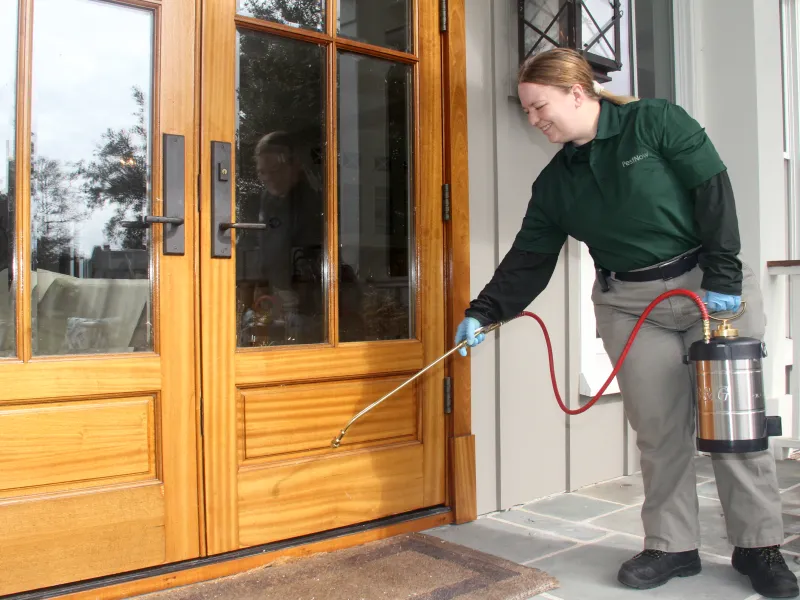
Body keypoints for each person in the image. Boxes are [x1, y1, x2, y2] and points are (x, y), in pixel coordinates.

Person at [455, 48, 798, 599]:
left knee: (736, 432)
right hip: (630, 306)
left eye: (538, 106)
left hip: (708, 290)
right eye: (525, 111)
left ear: (575, 91)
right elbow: (529, 256)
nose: (533, 119)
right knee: (660, 432)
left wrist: (726, 277)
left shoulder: (655, 123)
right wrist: (484, 310)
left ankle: (759, 546)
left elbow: (713, 192)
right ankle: (672, 546)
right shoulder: (556, 183)